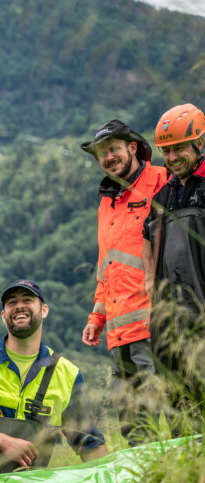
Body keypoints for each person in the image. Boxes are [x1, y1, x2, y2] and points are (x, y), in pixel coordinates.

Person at [0, 279, 107, 478]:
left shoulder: (67, 374)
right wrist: (5, 442)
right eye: (11, 302)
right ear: (3, 315)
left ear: (44, 310)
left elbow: (89, 444)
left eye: (27, 300)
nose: (19, 306)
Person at [80, 119, 167, 437]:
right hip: (118, 332)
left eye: (113, 149)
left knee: (168, 409)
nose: (108, 158)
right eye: (102, 153)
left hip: (154, 325)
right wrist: (97, 317)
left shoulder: (162, 181)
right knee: (132, 421)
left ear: (132, 147)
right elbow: (107, 266)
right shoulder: (106, 201)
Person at [142, 103, 205, 379]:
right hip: (170, 328)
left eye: (179, 148)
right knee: (178, 411)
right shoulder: (161, 199)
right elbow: (147, 239)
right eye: (165, 150)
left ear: (199, 142)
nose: (171, 157)